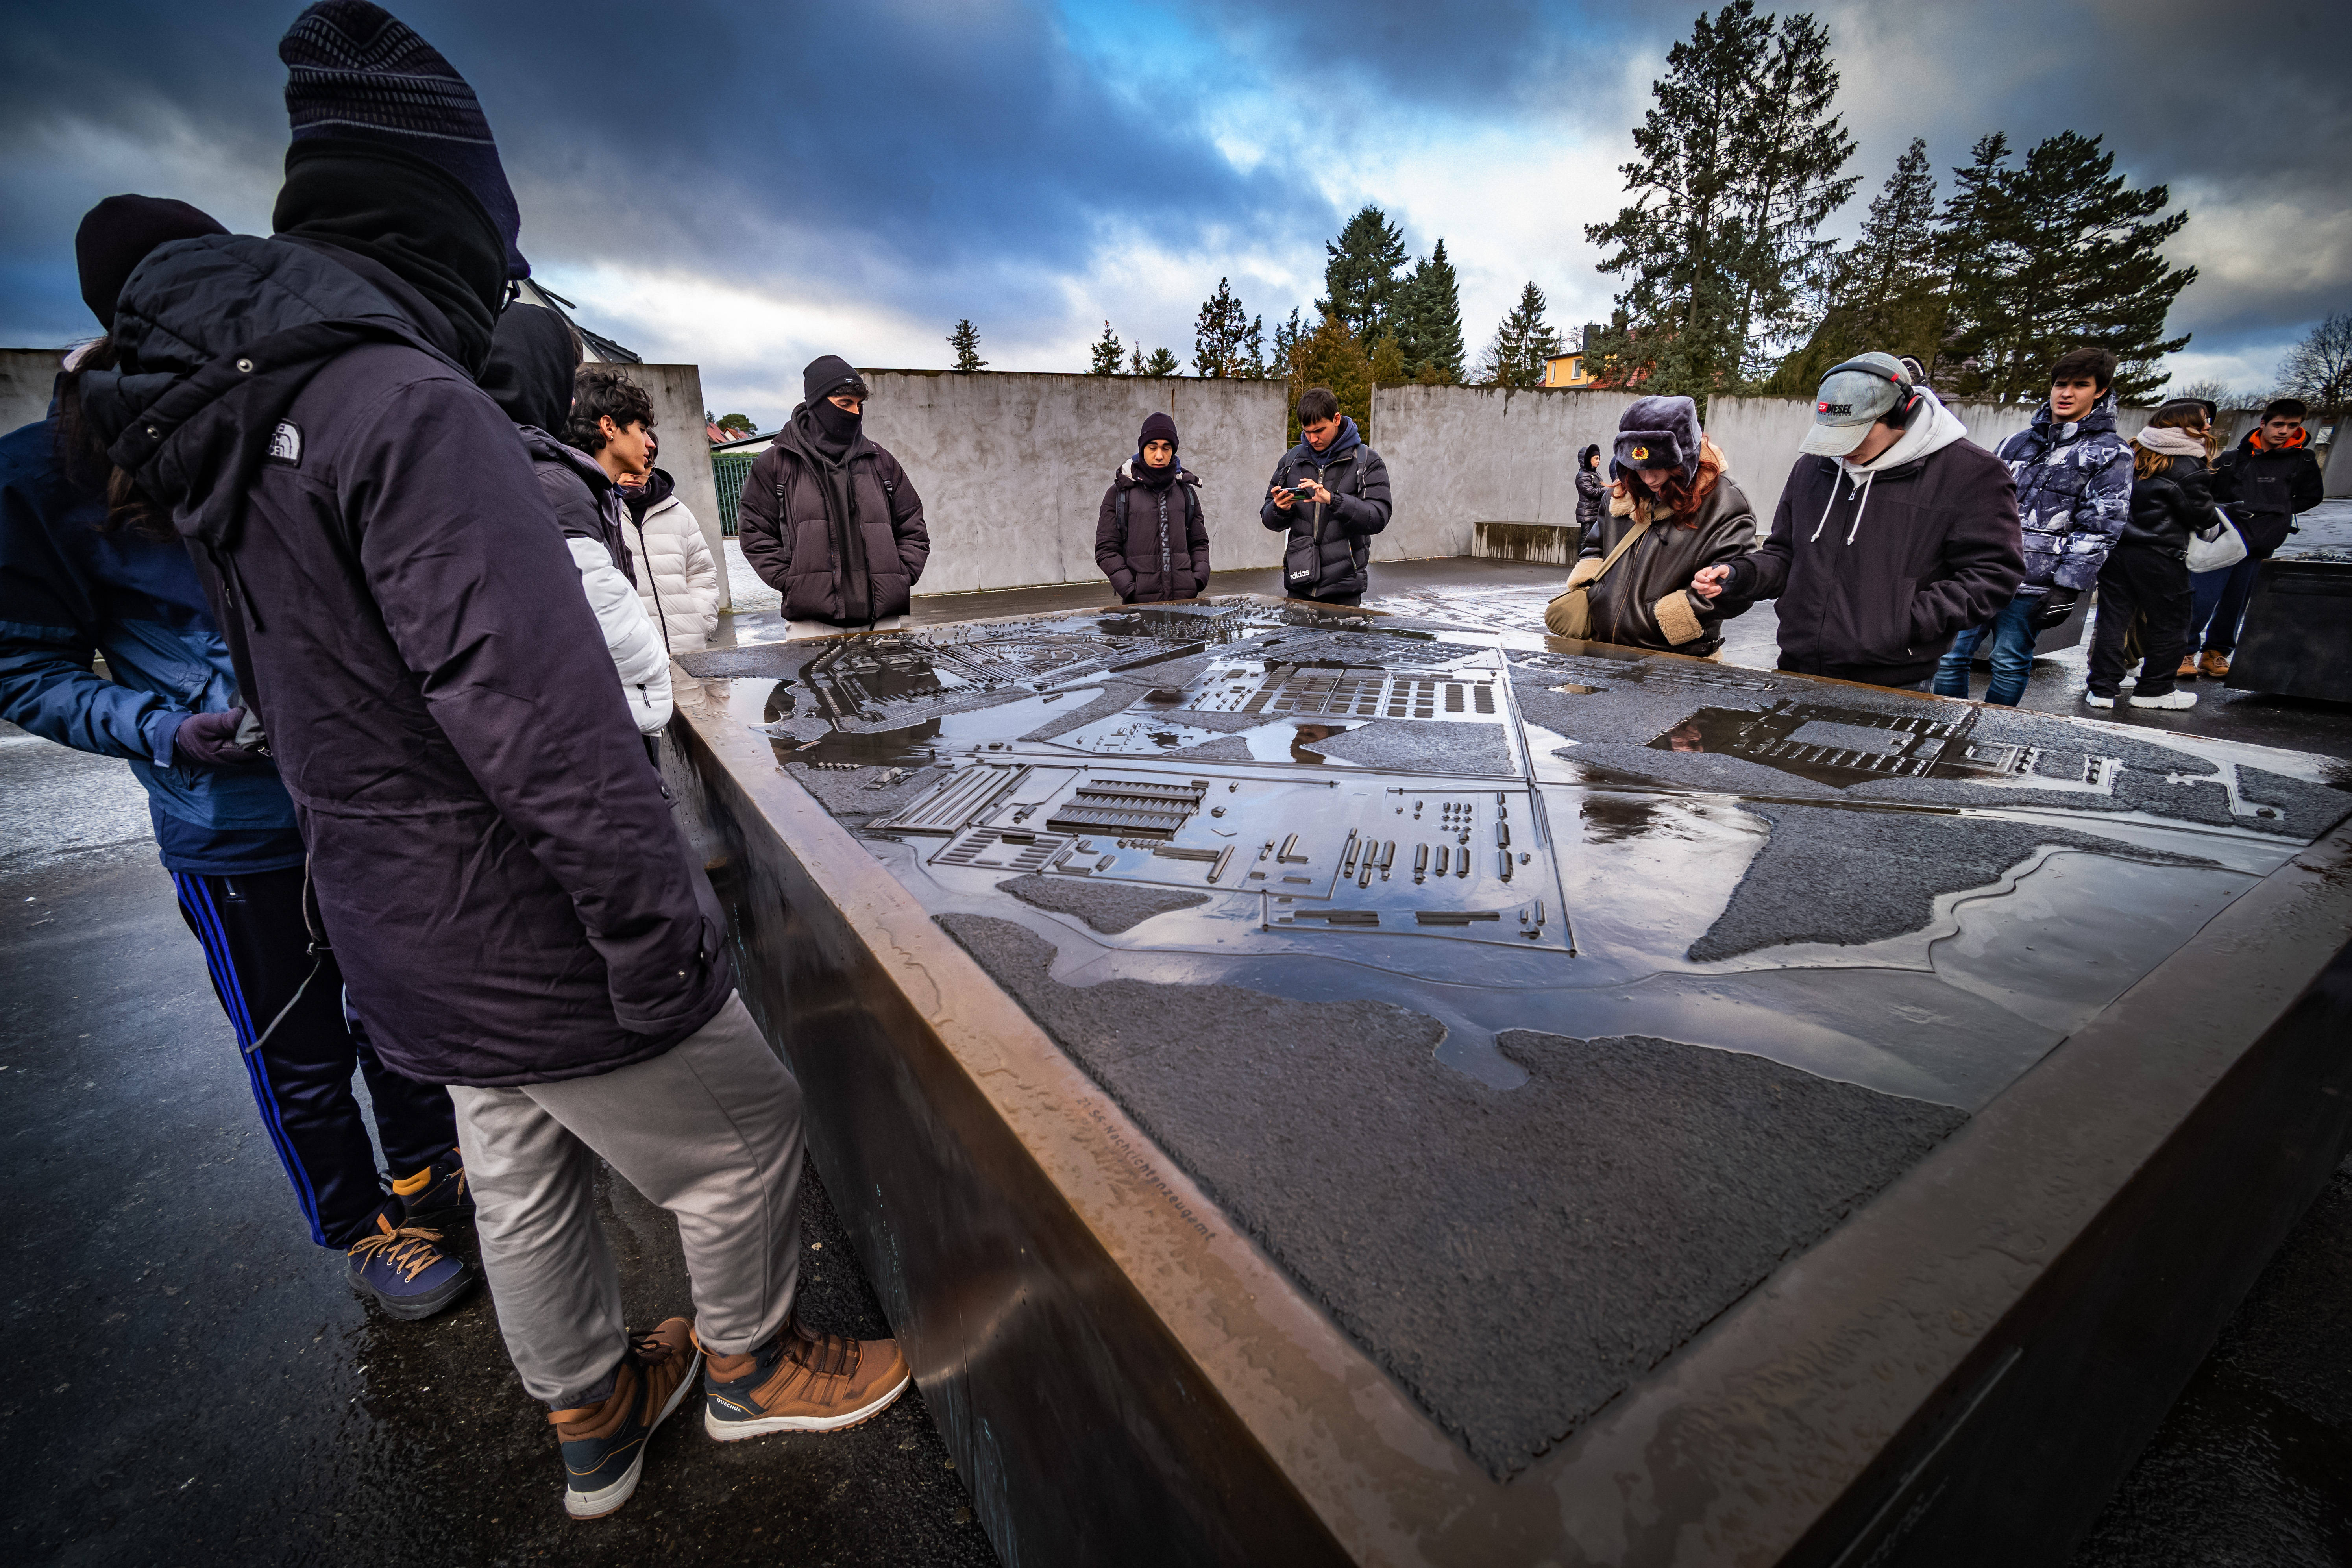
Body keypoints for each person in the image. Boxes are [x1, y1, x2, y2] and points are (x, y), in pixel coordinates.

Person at [77, 2, 906, 1519]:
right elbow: (544, 722)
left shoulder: (226, 419)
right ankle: (750, 1369)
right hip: (521, 914)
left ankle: (592, 1416)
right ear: (451, 214)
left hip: (394, 917)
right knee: (744, 1140)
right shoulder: (405, 405)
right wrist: (664, 938)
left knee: (516, 1154)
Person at [2, 194, 475, 1321]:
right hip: (237, 827)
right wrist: (170, 731)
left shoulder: (276, 416)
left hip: (358, 797)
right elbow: (26, 671)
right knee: (294, 1042)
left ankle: (425, 1163)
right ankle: (363, 1225)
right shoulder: (42, 478)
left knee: (399, 1005)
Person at [1694, 352, 2021, 690]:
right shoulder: (1812, 467)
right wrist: (1738, 575)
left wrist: (1905, 622)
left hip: (1896, 679)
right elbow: (1785, 554)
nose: (1843, 449)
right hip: (1797, 664)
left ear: (1903, 415)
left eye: (1858, 434)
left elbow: (1994, 574)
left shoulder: (1971, 473)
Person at [480, 310, 672, 733]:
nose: (649, 441)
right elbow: (601, 610)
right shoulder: (558, 482)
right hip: (607, 709)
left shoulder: (508, 461)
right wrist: (655, 675)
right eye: (641, 428)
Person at [1932, 346, 2131, 705]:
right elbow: (1975, 503)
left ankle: (1987, 737)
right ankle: (1943, 733)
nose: (2066, 393)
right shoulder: (2016, 442)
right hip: (1981, 572)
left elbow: (2102, 524)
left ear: (2100, 391)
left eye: (2080, 385)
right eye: (2060, 384)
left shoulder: (2111, 452)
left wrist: (2068, 587)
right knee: (1949, 657)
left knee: (2008, 662)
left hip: (2037, 583)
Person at [736, 356, 930, 640]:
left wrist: (901, 575)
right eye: (844, 404)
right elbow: (755, 533)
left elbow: (913, 524)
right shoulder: (775, 464)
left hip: (883, 620)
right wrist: (793, 583)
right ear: (816, 404)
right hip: (812, 624)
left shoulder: (881, 461)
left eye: (859, 405)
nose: (854, 413)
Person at [1545, 397, 1755, 656]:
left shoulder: (1725, 502)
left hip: (1674, 663)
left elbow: (1737, 585)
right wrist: (1596, 598)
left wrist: (1666, 618)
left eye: (1659, 465)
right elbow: (1594, 549)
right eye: (1638, 466)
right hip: (1600, 650)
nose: (1648, 477)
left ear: (1685, 455)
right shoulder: (1621, 494)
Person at [2086, 402, 2228, 710]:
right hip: (2161, 555)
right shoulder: (2189, 465)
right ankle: (2154, 690)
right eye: (2203, 422)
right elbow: (2203, 519)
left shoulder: (2130, 452)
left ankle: (2102, 690)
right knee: (2171, 622)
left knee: (2113, 619)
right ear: (2184, 425)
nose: (2207, 428)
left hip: (2117, 551)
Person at [2191, 396, 2325, 678]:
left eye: (2292, 426)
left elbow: (2312, 496)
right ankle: (2184, 652)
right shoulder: (2232, 460)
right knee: (2201, 598)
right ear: (2263, 423)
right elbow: (2209, 497)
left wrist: (2281, 513)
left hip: (2261, 543)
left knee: (2236, 602)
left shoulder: (2303, 461)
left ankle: (2215, 654)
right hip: (2223, 541)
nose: (2284, 431)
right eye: (2279, 424)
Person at [1261, 386, 1392, 606]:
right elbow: (1267, 517)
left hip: (1344, 589)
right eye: (1307, 431)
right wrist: (1279, 508)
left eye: (1319, 430)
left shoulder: (1366, 461)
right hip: (1299, 582)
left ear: (1337, 419)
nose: (1312, 439)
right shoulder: (1291, 460)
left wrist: (1334, 500)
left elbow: (1378, 516)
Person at [616, 429, 723, 656]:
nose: (636, 473)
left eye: (645, 465)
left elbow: (701, 573)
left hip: (690, 649)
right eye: (628, 465)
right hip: (634, 653)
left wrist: (702, 623)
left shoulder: (678, 512)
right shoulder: (600, 512)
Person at [1095, 410, 1209, 603]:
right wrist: (1131, 589)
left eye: (1166, 448)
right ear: (1142, 449)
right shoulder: (1119, 493)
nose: (1159, 455)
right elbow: (1106, 550)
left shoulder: (1186, 492)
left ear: (1173, 451)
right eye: (1152, 447)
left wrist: (1197, 580)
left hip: (1185, 604)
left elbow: (1199, 543)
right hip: (1139, 609)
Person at [1574, 443, 1607, 537]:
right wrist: (1607, 489)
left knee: (1594, 540)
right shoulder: (1583, 475)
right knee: (1586, 540)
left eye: (1599, 459)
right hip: (1587, 515)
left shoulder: (1596, 474)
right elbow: (1591, 492)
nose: (1599, 461)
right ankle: (1581, 553)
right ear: (1588, 459)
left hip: (1596, 513)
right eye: (1596, 459)